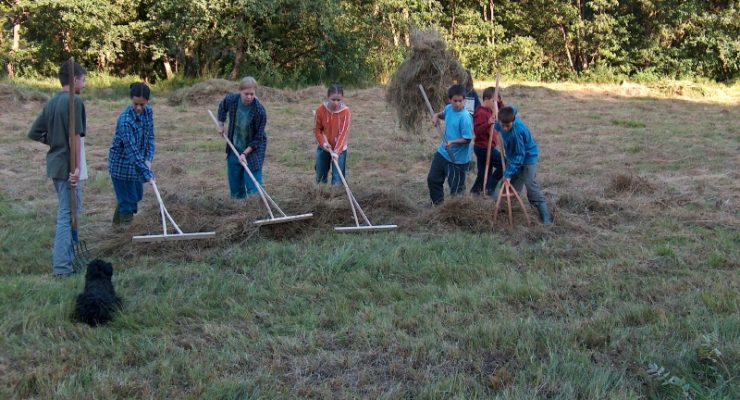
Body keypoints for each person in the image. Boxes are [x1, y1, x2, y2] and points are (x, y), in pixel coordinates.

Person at [27, 59, 88, 277]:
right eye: (83, 79)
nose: (85, 83)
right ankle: (62, 267)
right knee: (67, 214)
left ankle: (67, 259)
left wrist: (54, 141)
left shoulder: (51, 102)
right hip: (67, 167)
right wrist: (77, 169)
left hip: (55, 165)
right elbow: (75, 138)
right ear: (74, 79)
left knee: (68, 212)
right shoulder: (74, 102)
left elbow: (34, 132)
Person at [494, 106, 553, 225]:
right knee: (509, 185)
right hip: (513, 157)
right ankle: (507, 209)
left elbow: (520, 156)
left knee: (531, 185)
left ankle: (546, 218)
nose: (505, 128)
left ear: (513, 120)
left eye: (507, 126)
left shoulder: (516, 132)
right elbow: (513, 107)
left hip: (527, 158)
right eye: (502, 125)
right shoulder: (505, 119)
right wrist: (494, 124)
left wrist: (509, 173)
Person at [108, 82, 156, 225]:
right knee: (128, 204)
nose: (139, 108)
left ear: (147, 101)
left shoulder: (148, 112)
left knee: (136, 196)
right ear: (131, 100)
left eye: (142, 104)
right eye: (136, 104)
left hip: (137, 164)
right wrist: (147, 174)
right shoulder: (125, 121)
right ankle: (123, 235)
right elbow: (132, 150)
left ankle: (116, 226)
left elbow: (150, 138)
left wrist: (148, 159)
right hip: (122, 165)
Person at [216, 76, 267, 198]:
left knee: (253, 186)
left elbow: (258, 138)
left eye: (252, 94)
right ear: (240, 92)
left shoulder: (260, 111)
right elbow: (222, 106)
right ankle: (238, 205)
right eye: (246, 94)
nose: (249, 97)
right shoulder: (232, 100)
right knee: (235, 182)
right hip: (235, 144)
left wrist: (245, 154)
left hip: (254, 149)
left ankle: (256, 204)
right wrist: (221, 124)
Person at [427, 84, 473, 205]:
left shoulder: (465, 117)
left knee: (457, 191)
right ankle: (438, 206)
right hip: (443, 153)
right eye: (455, 101)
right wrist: (436, 116)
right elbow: (443, 114)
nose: (457, 104)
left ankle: (459, 212)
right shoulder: (448, 108)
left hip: (457, 159)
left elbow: (467, 139)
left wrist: (452, 142)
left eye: (460, 101)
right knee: (433, 179)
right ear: (449, 100)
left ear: (464, 100)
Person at [313, 84, 351, 185]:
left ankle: (335, 198)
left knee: (337, 180)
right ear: (327, 97)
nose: (336, 102)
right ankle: (321, 196)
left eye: (339, 100)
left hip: (340, 149)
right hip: (324, 147)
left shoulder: (346, 112)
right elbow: (317, 130)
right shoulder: (320, 110)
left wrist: (336, 152)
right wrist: (323, 143)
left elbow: (343, 133)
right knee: (320, 177)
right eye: (333, 99)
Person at [470, 87, 504, 197]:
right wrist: (488, 124)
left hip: (486, 147)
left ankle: (475, 193)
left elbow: (503, 109)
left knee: (484, 173)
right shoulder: (480, 112)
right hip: (483, 147)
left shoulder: (491, 109)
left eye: (496, 101)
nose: (496, 104)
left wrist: (500, 101)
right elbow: (477, 131)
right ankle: (490, 188)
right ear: (486, 99)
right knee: (504, 165)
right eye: (494, 101)